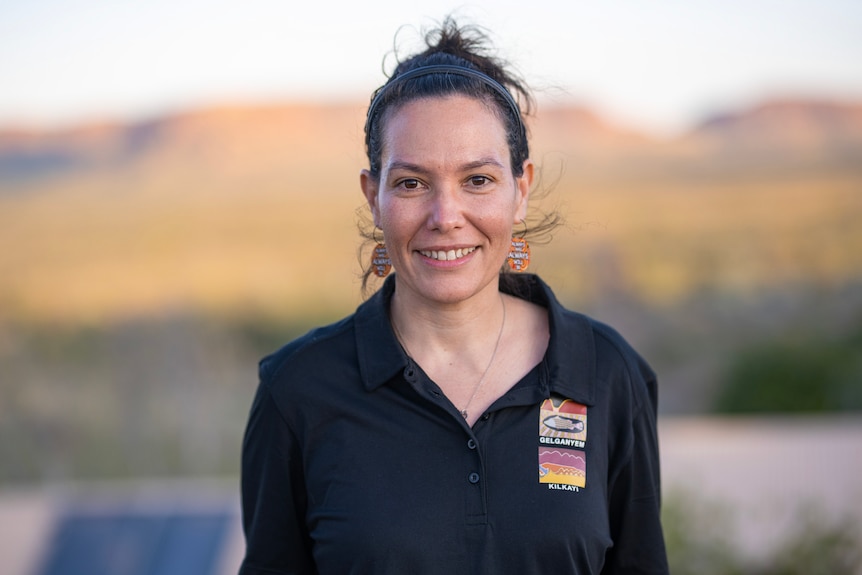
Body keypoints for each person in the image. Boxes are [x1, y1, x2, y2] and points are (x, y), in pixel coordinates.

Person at [239, 17, 668, 575]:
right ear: (374, 196)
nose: (446, 217)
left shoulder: (605, 372)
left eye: (478, 180)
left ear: (522, 189)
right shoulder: (298, 391)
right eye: (412, 183)